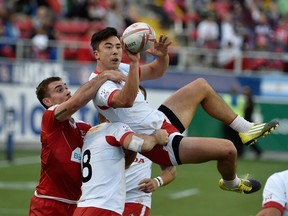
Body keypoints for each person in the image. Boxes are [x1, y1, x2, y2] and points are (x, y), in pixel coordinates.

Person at [89, 27, 279, 194]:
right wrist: (134, 63)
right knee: (228, 150)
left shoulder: (121, 68)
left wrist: (162, 56)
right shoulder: (99, 85)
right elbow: (126, 100)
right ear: (96, 54)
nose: (115, 51)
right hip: (160, 141)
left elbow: (156, 71)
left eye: (117, 46)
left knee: (201, 85)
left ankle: (246, 129)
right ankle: (232, 183)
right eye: (108, 47)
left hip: (160, 120)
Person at [29, 72, 126, 216]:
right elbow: (75, 103)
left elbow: (106, 130)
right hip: (48, 204)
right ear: (47, 102)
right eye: (59, 90)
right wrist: (103, 76)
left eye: (66, 87)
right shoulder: (50, 118)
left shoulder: (83, 128)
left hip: (78, 205)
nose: (67, 91)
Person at [73, 114, 169, 216]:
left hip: (90, 204)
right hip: (106, 205)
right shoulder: (117, 129)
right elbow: (141, 145)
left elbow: (125, 164)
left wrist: (158, 181)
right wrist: (156, 138)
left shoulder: (90, 134)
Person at [123, 85, 176, 216]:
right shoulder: (113, 128)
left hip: (135, 199)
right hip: (108, 199)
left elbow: (171, 171)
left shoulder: (155, 134)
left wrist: (157, 181)